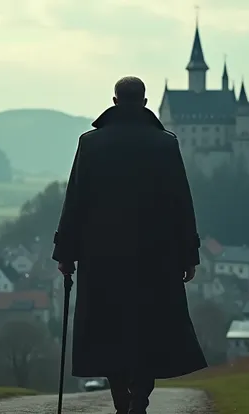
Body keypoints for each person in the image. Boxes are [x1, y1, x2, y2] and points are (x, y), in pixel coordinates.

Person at [52, 76, 207, 414]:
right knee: (149, 334)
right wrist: (188, 255)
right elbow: (182, 203)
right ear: (146, 102)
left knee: (108, 334)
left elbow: (75, 201)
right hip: (157, 259)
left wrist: (65, 254)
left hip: (102, 259)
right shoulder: (165, 144)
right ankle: (140, 401)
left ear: (114, 100)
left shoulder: (91, 144)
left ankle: (122, 403)